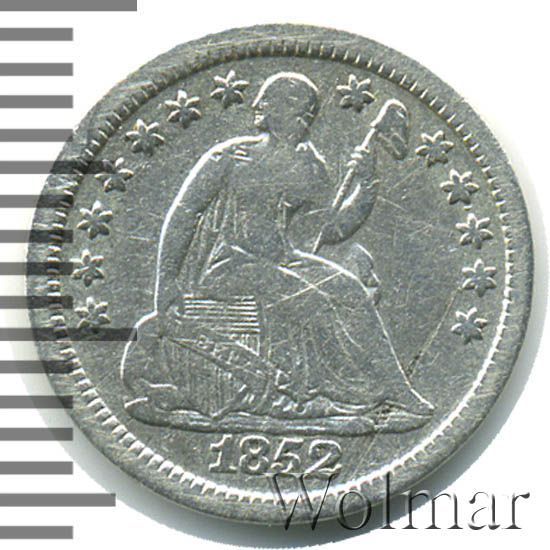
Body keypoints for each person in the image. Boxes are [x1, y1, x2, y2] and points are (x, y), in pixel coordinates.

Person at [121, 72, 434, 434]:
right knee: (306, 298)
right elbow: (184, 214)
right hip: (227, 263)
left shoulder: (310, 166)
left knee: (350, 290)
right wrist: (166, 279)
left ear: (298, 113)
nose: (257, 105)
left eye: (268, 100)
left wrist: (367, 184)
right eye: (263, 99)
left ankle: (398, 390)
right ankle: (323, 393)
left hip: (282, 258)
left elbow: (329, 230)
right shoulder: (231, 156)